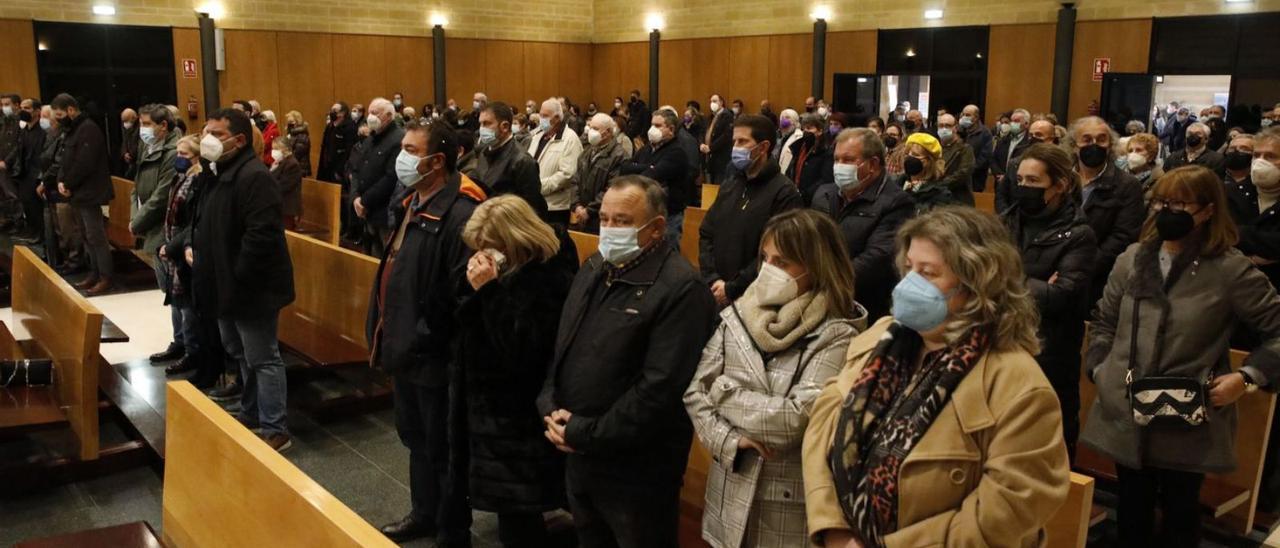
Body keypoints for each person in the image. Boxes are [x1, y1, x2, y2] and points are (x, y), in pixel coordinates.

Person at [802, 206, 1070, 547]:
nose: (911, 283)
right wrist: (835, 531)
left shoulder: (1020, 386)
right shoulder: (881, 337)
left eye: (928, 273)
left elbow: (1003, 514)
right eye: (910, 268)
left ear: (977, 284)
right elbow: (823, 428)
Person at [1081, 166, 1280, 547]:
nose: (1166, 211)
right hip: (1124, 406)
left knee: (1180, 515)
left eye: (1179, 203)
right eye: (1160, 202)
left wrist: (1248, 377)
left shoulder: (1230, 269)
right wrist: (1100, 367)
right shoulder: (1133, 258)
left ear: (1207, 210)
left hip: (1189, 415)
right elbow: (1104, 321)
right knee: (1132, 512)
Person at [537, 175, 717, 548]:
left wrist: (586, 432)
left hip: (637, 468)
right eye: (604, 219)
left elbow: (660, 388)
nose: (608, 229)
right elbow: (564, 344)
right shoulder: (594, 268)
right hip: (579, 450)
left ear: (656, 229)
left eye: (622, 221)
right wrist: (550, 404)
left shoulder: (682, 289)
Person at [684, 209, 863, 548]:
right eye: (765, 258)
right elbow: (695, 391)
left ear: (817, 266)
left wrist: (723, 391)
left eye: (782, 263)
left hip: (786, 504)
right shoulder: (740, 311)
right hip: (729, 488)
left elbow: (793, 420)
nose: (768, 271)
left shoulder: (838, 333)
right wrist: (731, 440)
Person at [370, 121, 483, 545]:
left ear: (436, 161)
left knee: (444, 449)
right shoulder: (413, 202)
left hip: (434, 355)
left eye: (410, 149)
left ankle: (453, 531)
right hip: (405, 347)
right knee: (416, 439)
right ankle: (424, 512)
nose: (401, 157)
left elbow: (459, 296)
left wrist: (420, 338)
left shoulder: (462, 213)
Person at [455, 194, 577, 547]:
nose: (482, 254)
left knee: (520, 512)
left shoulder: (548, 278)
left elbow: (524, 350)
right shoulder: (507, 269)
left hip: (519, 414)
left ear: (514, 241)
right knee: (512, 510)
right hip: (492, 411)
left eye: (488, 246)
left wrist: (489, 292)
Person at [191, 108, 295, 451]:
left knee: (263, 357)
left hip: (252, 286)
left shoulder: (254, 176)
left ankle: (275, 426)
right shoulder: (216, 172)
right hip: (224, 281)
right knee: (240, 352)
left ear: (238, 140)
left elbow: (261, 236)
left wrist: (237, 277)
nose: (208, 139)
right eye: (206, 131)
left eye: (217, 134)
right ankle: (251, 411)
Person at [1003, 143, 1098, 457]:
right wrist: (1038, 285)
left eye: (1033, 181)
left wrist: (1000, 280)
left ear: (1060, 185)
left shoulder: (1078, 234)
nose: (1023, 188)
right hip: (1003, 342)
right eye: (1020, 180)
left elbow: (1061, 296)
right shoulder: (1004, 222)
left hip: (1050, 351)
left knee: (1048, 442)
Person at [810, 128, 913, 322]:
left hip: (861, 305)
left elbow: (878, 259)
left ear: (873, 164)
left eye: (848, 160)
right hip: (815, 297)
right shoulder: (824, 194)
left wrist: (826, 282)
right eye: (836, 159)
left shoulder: (896, 202)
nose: (839, 166)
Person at [700, 115, 803, 307]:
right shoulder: (730, 185)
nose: (735, 148)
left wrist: (732, 288)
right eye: (734, 142)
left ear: (763, 147)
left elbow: (777, 252)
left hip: (754, 299)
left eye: (743, 141)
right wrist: (712, 279)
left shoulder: (784, 193)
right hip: (716, 291)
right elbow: (707, 232)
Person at [156, 134, 216, 384]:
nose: (178, 159)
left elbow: (192, 221)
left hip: (185, 249)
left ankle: (192, 351)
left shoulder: (196, 181)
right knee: (175, 300)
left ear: (196, 157)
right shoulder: (177, 178)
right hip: (173, 247)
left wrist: (173, 246)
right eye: (177, 154)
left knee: (187, 305)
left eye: (184, 155)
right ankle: (179, 342)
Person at [1070, 116, 1145, 302]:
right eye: (1086, 139)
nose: (1094, 144)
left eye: (1101, 139)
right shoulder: (1061, 180)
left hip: (1098, 280)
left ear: (1110, 145)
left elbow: (1122, 237)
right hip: (1057, 273)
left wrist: (1080, 269)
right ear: (1074, 145)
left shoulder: (1128, 185)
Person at [131, 104, 184, 360]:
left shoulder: (174, 152)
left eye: (147, 124)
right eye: (142, 124)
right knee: (169, 290)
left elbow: (162, 195)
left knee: (176, 289)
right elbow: (137, 186)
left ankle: (185, 344)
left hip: (166, 228)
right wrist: (134, 218)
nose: (143, 130)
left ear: (163, 125)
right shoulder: (148, 147)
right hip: (151, 226)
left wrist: (137, 222)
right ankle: (180, 341)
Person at [52, 94, 116, 295]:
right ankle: (94, 272)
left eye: (60, 114)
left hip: (90, 191)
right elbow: (65, 159)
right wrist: (62, 181)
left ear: (71, 110)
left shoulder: (88, 129)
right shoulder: (72, 129)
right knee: (86, 237)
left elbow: (84, 163)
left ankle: (106, 276)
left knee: (95, 236)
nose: (59, 118)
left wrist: (68, 182)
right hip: (77, 192)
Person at [620, 109, 690, 246]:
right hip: (646, 212)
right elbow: (624, 167)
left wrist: (646, 168)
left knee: (667, 253)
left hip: (668, 214)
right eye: (652, 125)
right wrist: (649, 166)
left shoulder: (677, 152)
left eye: (658, 126)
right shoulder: (647, 149)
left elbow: (652, 175)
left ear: (671, 129)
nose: (652, 129)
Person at [470, 101, 547, 216]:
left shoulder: (522, 161)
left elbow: (530, 210)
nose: (481, 129)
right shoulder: (484, 152)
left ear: (504, 126)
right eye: (480, 124)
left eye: (486, 124)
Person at [351, 98, 406, 257]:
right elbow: (356, 169)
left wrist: (364, 201)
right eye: (369, 113)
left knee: (385, 259)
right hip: (364, 210)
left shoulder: (398, 139)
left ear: (389, 116)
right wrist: (355, 197)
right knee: (369, 257)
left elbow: (391, 178)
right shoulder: (370, 139)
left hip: (384, 213)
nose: (370, 117)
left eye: (375, 113)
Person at [1229, 128, 1280, 291]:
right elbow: (1217, 236)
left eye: (1270, 156)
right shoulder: (1230, 193)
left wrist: (1239, 234)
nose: (1260, 161)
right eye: (1256, 155)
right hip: (1234, 288)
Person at [569, 113, 627, 233]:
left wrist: (589, 210)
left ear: (608, 132)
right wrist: (577, 206)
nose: (590, 132)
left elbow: (612, 188)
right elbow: (575, 180)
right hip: (580, 214)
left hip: (602, 218)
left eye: (595, 129)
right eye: (590, 128)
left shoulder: (619, 155)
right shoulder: (586, 152)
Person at [529, 98, 582, 227]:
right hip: (533, 202)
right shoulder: (537, 136)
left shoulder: (570, 138)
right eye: (540, 115)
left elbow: (567, 175)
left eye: (545, 116)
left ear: (557, 118)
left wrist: (539, 187)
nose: (541, 119)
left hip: (555, 207)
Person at [995, 119, 1059, 213]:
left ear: (1051, 139)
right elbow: (1001, 194)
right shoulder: (1015, 163)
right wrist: (1007, 215)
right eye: (1030, 135)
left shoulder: (1059, 164)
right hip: (1016, 218)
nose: (1033, 138)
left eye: (1038, 135)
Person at [12, 100, 46, 245]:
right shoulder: (25, 129)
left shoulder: (42, 131)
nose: (23, 111)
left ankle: (40, 234)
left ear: (37, 111)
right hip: (24, 172)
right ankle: (32, 231)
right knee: (27, 205)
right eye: (21, 108)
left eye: (27, 108)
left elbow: (42, 156)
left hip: (36, 173)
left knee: (36, 207)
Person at [785, 114, 833, 205]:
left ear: (820, 131)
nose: (805, 131)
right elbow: (791, 170)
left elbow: (825, 179)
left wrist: (805, 194)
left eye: (809, 128)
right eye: (804, 128)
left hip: (812, 199)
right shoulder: (799, 146)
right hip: (794, 196)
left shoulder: (826, 151)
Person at [901, 132, 954, 212]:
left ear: (929, 161)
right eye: (906, 153)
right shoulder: (897, 183)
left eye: (915, 155)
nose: (909, 157)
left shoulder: (939, 194)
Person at [935, 113, 976, 206]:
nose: (944, 129)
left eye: (948, 126)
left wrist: (937, 185)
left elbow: (963, 173)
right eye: (941, 126)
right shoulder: (935, 148)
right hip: (938, 200)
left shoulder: (965, 149)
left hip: (958, 200)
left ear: (955, 128)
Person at [991, 108, 1032, 188]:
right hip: (1000, 183)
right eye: (1011, 121)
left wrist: (1008, 178)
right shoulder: (1003, 140)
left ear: (1026, 124)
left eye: (1016, 121)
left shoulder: (1029, 142)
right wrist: (999, 175)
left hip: (1019, 184)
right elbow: (993, 159)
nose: (1012, 124)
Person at [317, 102, 356, 183]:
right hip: (327, 165)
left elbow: (349, 150)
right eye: (331, 110)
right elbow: (324, 146)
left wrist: (340, 170)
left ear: (343, 112)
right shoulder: (330, 126)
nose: (332, 112)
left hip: (340, 168)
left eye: (335, 110)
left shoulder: (350, 126)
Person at [270, 136, 303, 231]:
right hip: (279, 204)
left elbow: (283, 186)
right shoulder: (280, 162)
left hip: (287, 207)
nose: (274, 152)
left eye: (276, 149)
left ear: (285, 149)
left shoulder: (292, 164)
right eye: (273, 149)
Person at [960, 104, 994, 193]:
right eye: (963, 115)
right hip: (959, 177)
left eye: (967, 115)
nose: (964, 117)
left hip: (976, 178)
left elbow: (985, 157)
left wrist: (969, 170)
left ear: (976, 117)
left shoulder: (985, 133)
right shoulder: (960, 132)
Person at [702, 93, 735, 184]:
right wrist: (702, 144)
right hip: (710, 157)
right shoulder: (711, 117)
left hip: (721, 157)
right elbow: (705, 132)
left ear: (721, 102)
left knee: (719, 183)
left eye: (714, 101)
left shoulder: (727, 116)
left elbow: (726, 136)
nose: (712, 103)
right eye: (711, 101)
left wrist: (711, 148)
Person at [1123, 132, 1164, 201]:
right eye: (1130, 151)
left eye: (1138, 150)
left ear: (1151, 156)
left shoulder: (1159, 180)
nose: (1133, 154)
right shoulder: (1120, 174)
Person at [284, 110, 312, 177]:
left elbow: (297, 154)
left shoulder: (302, 135)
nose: (289, 124)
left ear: (297, 122)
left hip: (300, 168)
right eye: (288, 122)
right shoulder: (291, 134)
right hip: (292, 166)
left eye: (291, 122)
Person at [777, 108, 803, 173]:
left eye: (787, 117)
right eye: (782, 118)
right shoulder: (783, 137)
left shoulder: (799, 137)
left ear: (795, 121)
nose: (784, 120)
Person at [119, 107, 140, 178]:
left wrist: (131, 155)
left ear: (134, 118)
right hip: (129, 159)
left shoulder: (140, 127)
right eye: (123, 121)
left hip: (137, 160)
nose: (125, 124)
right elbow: (124, 140)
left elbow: (138, 144)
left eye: (126, 121)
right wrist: (124, 153)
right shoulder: (125, 126)